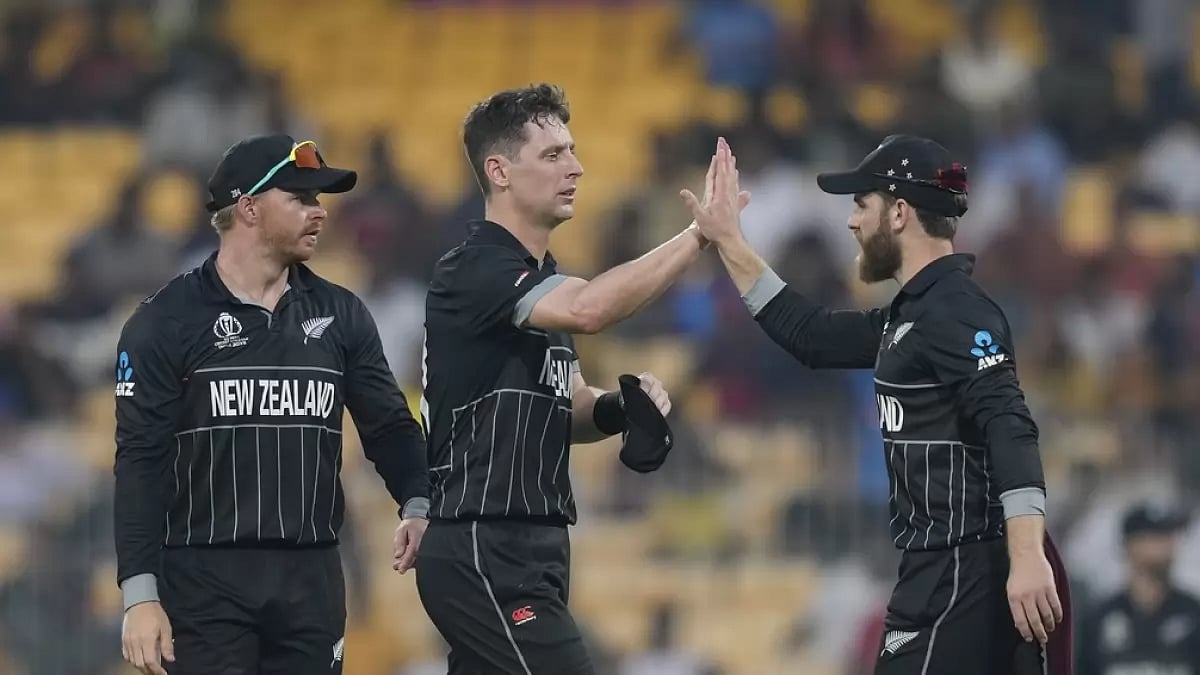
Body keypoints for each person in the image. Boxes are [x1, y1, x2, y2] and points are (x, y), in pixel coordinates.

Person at [683, 136, 1071, 674]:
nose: (851, 223)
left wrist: (1027, 556)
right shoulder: (909, 316)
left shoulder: (957, 312)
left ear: (900, 212)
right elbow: (812, 336)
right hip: (938, 568)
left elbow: (1012, 426)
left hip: (965, 566)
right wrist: (729, 240)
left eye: (861, 204)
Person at [413, 83, 744, 674]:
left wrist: (622, 406)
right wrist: (700, 236)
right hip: (482, 541)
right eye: (553, 155)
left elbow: (565, 405)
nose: (577, 167)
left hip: (533, 545)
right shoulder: (476, 267)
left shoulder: (539, 281)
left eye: (573, 150)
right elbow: (592, 309)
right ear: (500, 171)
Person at [114, 133, 431, 675]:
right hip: (202, 580)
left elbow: (390, 427)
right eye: (302, 199)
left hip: (312, 579)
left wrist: (419, 502)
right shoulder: (164, 322)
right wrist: (140, 595)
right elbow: (139, 459)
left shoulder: (342, 314)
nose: (319, 213)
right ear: (249, 208)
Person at [1078, 501, 1200, 674]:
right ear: (1129, 545)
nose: (1167, 544)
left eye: (1170, 536)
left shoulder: (1193, 613)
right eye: (1155, 536)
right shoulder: (1099, 617)